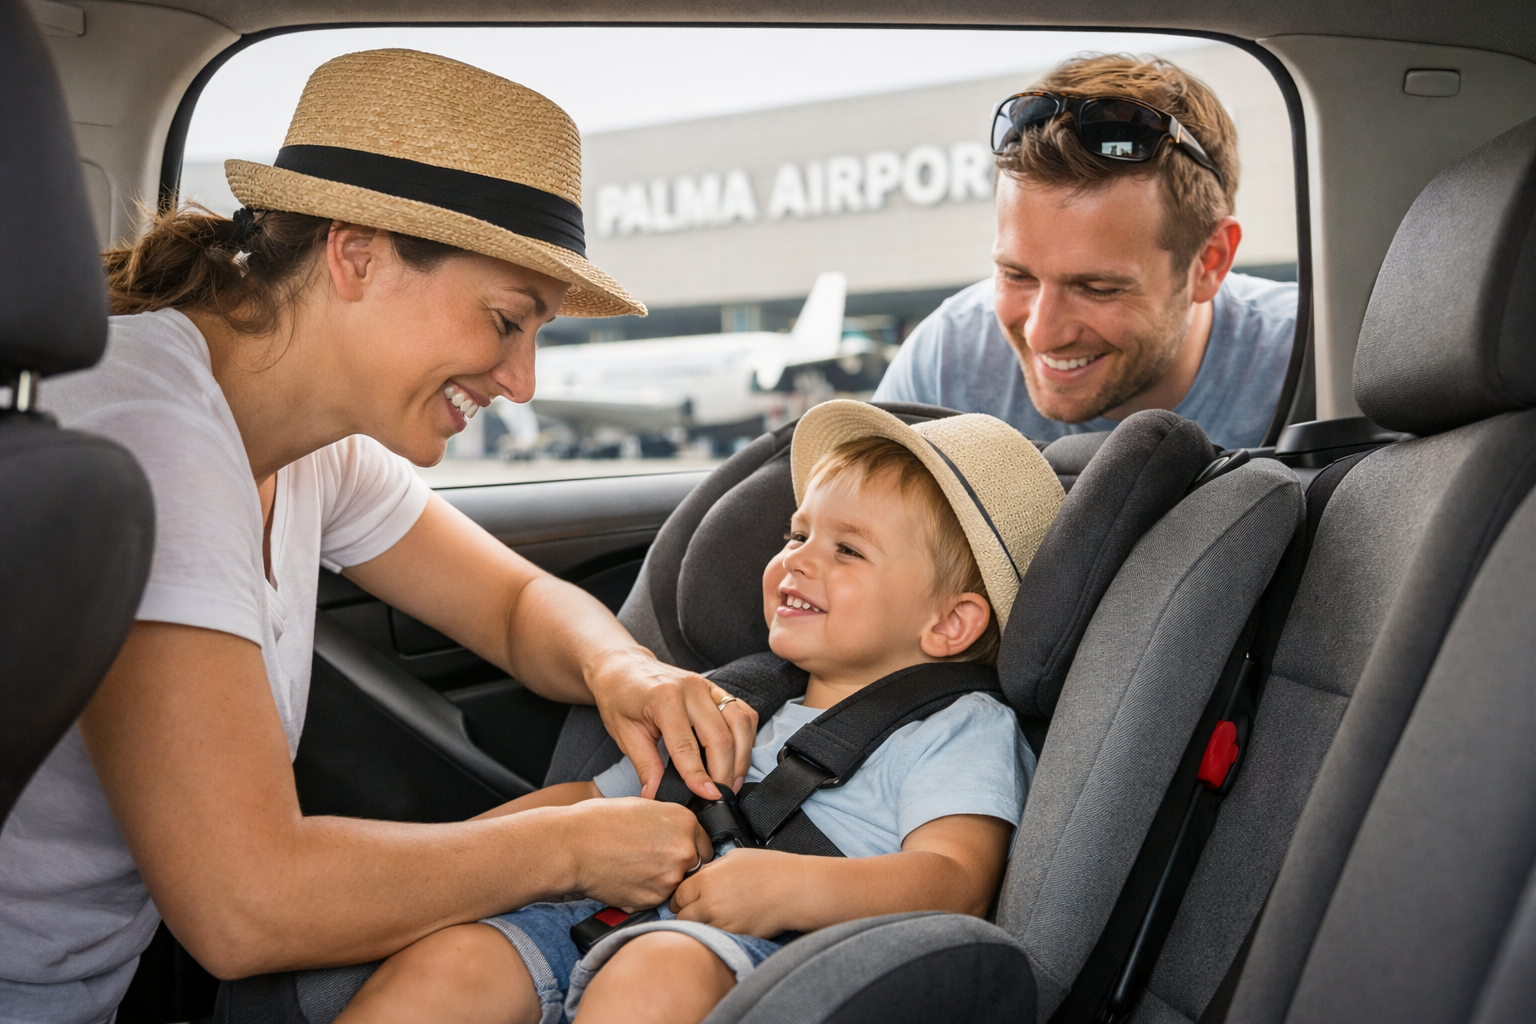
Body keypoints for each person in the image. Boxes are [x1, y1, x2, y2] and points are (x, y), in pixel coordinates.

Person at [0, 50, 758, 1024]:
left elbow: (516, 603)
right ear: (355, 254)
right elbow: (245, 904)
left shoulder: (310, 445)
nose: (522, 380)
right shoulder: (153, 432)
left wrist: (628, 673)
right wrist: (570, 845)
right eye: (505, 320)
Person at [333, 399, 1064, 1024]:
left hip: (764, 947)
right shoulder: (738, 699)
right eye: (797, 533)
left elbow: (954, 879)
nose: (797, 560)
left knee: (656, 974)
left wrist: (790, 889)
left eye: (847, 550)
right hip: (592, 916)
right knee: (452, 962)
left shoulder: (959, 727)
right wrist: (451, 861)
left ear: (950, 625)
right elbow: (594, 804)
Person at [874, 54, 1298, 451]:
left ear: (1210, 261)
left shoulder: (1320, 358)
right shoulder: (945, 365)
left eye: (1097, 287)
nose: (1042, 334)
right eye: (1015, 276)